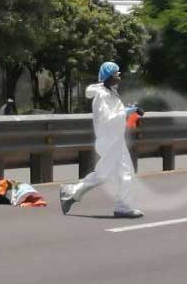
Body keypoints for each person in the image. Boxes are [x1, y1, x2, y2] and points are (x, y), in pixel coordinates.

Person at [60, 62, 145, 218]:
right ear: (108, 75)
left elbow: (115, 115)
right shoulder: (103, 95)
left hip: (115, 140)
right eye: (116, 73)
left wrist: (127, 111)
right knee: (105, 174)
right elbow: (107, 119)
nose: (119, 75)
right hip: (109, 141)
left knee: (125, 173)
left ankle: (123, 206)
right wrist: (126, 111)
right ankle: (70, 192)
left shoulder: (109, 92)